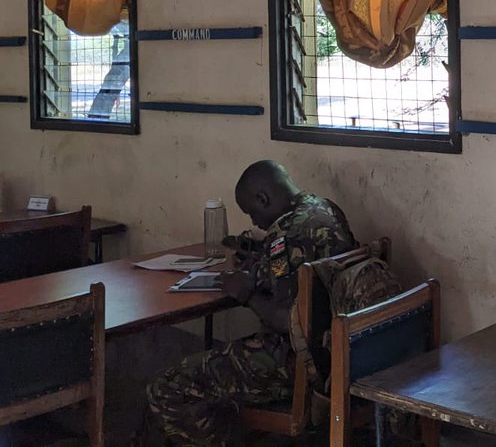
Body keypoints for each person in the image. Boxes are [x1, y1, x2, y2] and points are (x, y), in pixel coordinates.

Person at [139, 160, 357, 446]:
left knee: (168, 386)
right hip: (341, 349)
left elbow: (287, 320)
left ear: (263, 199)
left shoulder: (286, 236)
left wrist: (247, 295)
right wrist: (260, 262)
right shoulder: (326, 208)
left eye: (253, 213)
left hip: (299, 360)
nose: (255, 223)